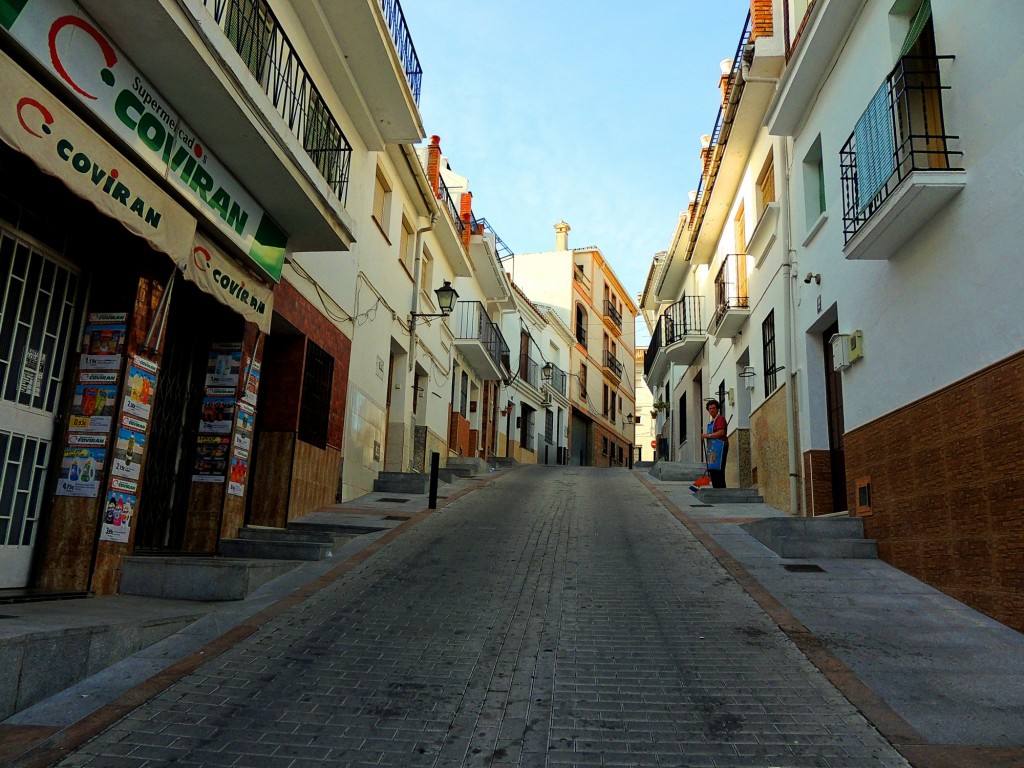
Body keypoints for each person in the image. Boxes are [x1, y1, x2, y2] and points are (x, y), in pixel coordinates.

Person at [701, 399, 729, 488]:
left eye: (713, 408)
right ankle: (716, 489)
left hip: (720, 447)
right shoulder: (712, 422)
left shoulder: (720, 419)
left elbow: (721, 432)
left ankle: (721, 490)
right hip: (712, 450)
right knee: (713, 470)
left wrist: (707, 435)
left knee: (719, 470)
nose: (711, 410)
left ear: (717, 409)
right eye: (710, 409)